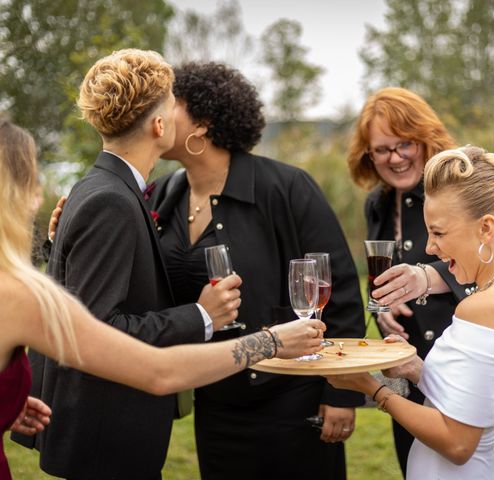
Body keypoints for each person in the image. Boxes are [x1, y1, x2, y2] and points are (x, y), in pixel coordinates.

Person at [0, 116, 325, 480]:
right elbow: (157, 370)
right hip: (110, 437)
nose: (39, 195)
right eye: (33, 181)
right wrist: (269, 340)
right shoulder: (110, 200)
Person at [12, 49, 240, 480]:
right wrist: (201, 315)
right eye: (172, 104)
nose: (176, 113)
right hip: (106, 437)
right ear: (158, 126)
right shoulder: (111, 201)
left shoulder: (101, 187)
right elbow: (100, 330)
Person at [150, 62, 365, 480]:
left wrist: (339, 391)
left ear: (204, 124)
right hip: (215, 400)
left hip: (293, 400)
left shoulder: (287, 188)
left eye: (169, 104)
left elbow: (338, 293)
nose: (155, 116)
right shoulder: (161, 195)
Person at [346, 87, 494, 479]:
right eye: (381, 150)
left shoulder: (455, 194)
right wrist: (386, 313)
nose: (395, 157)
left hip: (475, 366)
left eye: (404, 144)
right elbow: (379, 277)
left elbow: (490, 258)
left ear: (425, 138)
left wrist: (428, 276)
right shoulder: (377, 205)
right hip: (419, 366)